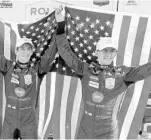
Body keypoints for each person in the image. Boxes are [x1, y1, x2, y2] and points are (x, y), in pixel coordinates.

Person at [55, 7, 151, 139]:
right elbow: (66, 53)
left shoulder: (123, 73)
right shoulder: (85, 70)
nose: (108, 54)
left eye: (112, 51)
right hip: (85, 130)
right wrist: (60, 25)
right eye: (105, 50)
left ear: (116, 53)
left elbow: (145, 70)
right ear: (97, 52)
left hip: (108, 132)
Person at [0, 8, 57, 139]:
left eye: (28, 49)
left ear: (32, 52)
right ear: (16, 50)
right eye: (23, 49)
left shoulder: (37, 69)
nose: (25, 52)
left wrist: (60, 26)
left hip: (29, 122)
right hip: (10, 121)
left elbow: (51, 53)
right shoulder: (7, 66)